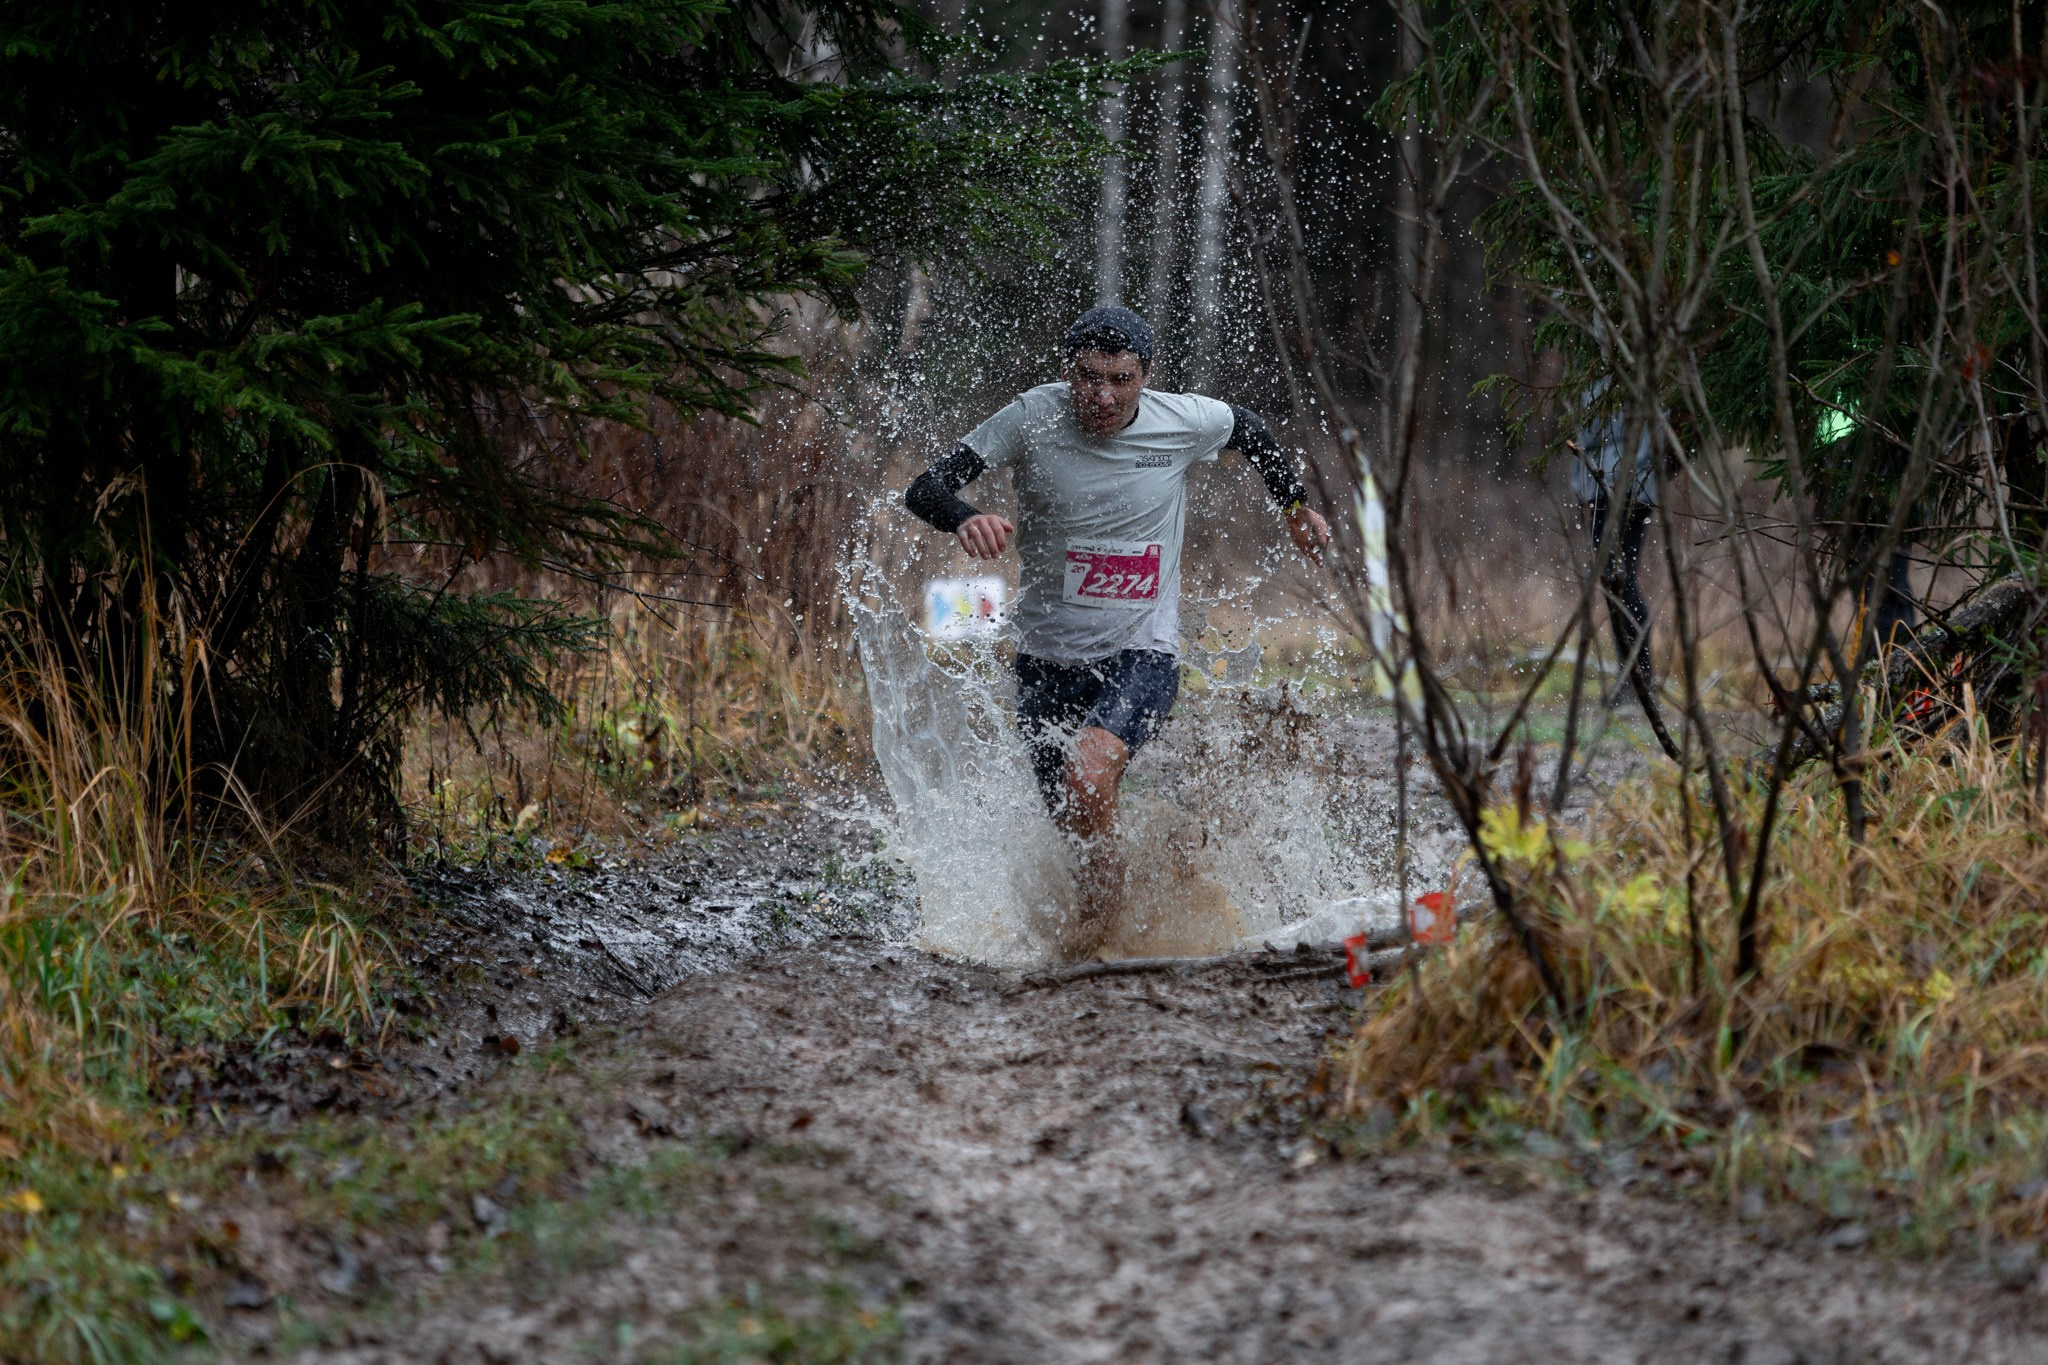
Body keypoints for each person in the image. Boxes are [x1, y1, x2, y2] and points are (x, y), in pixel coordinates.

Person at [903, 305, 1330, 955]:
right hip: (1044, 661)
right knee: (1076, 823)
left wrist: (1295, 507)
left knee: (1089, 775)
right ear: (1068, 373)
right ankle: (1109, 923)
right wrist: (963, 516)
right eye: (1088, 377)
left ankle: (1102, 941)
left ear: (1145, 376)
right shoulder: (1030, 417)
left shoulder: (1180, 421)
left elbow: (1253, 431)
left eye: (1121, 379)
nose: (1103, 396)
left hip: (1142, 653)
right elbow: (925, 486)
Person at [1568, 383, 1681, 760]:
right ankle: (1633, 677)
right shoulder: (1642, 367)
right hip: (1631, 486)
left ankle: (1636, 679)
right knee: (1619, 581)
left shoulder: (1607, 377)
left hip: (1611, 487)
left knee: (1619, 583)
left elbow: (1591, 432)